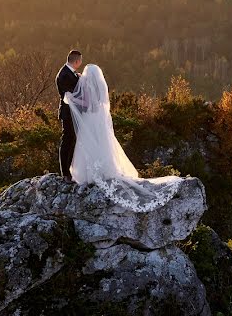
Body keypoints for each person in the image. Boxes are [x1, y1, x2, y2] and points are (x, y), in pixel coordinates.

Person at [63, 62, 183, 211]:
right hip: (98, 118)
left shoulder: (87, 86)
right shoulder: (101, 87)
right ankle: (106, 169)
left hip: (90, 118)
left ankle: (90, 174)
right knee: (103, 142)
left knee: (88, 143)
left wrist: (71, 99)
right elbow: (98, 103)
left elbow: (87, 104)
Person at [56, 50, 82, 181]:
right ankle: (65, 172)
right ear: (77, 61)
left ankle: (70, 170)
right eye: (80, 61)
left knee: (72, 140)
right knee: (67, 140)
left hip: (73, 113)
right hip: (68, 113)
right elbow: (69, 97)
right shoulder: (64, 74)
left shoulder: (70, 73)